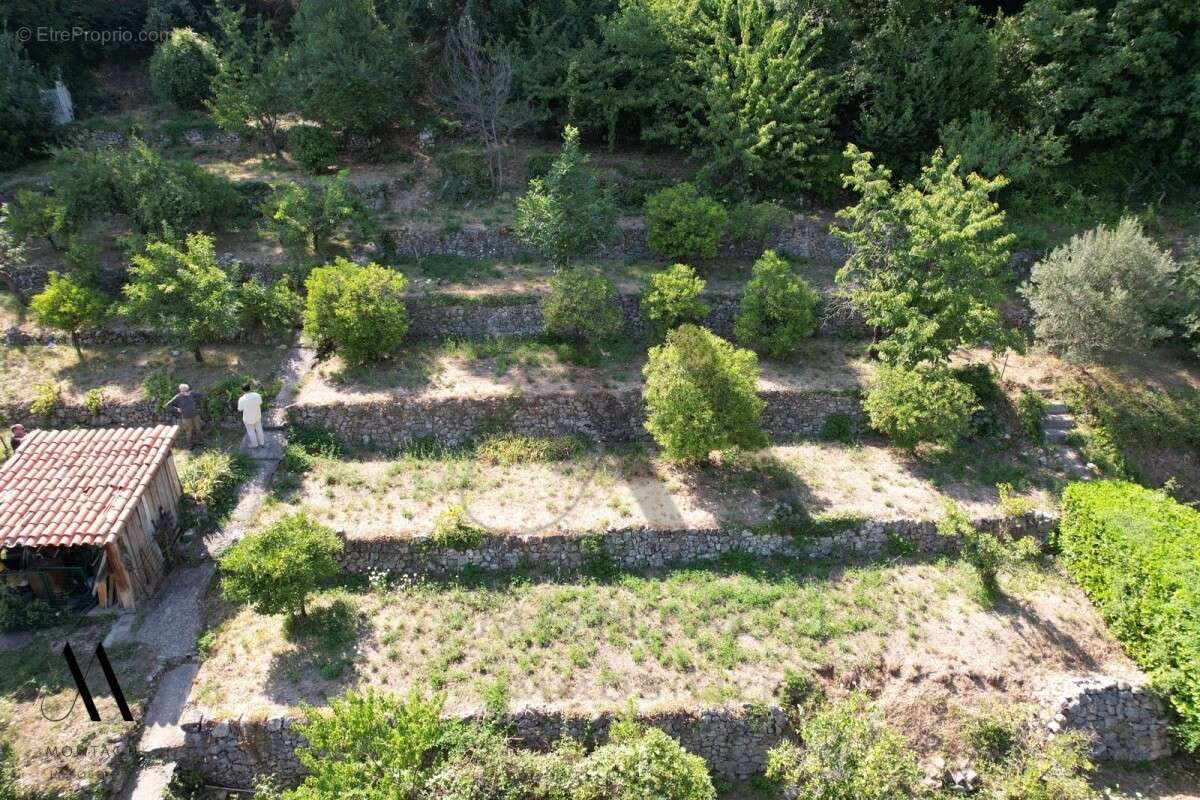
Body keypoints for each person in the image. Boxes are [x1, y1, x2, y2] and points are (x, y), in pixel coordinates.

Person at [237, 382, 265, 449]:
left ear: (242, 390)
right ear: (250, 388)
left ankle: (255, 445)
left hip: (248, 418)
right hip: (257, 416)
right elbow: (260, 403)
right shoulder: (257, 395)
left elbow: (240, 409)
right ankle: (262, 443)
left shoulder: (241, 399)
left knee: (251, 432)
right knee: (259, 429)